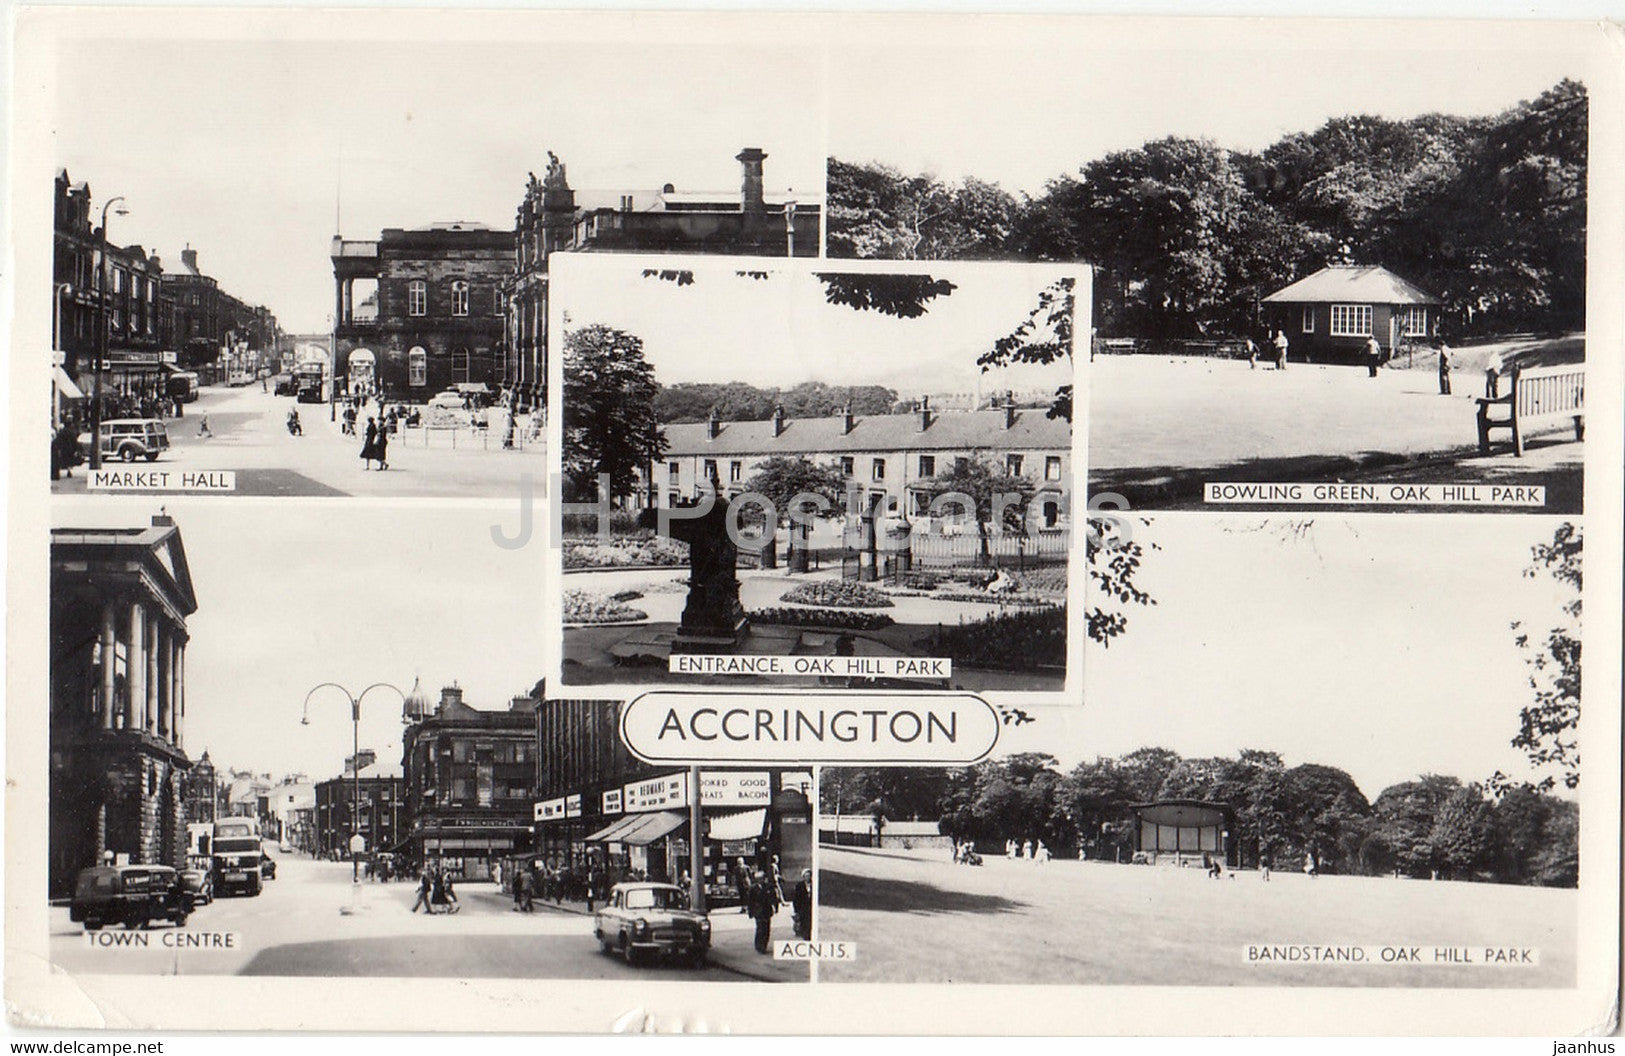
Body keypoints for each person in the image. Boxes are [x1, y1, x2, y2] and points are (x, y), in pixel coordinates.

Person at [747, 871, 775, 954]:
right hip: (758, 911)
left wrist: (775, 907)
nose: (762, 880)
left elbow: (773, 897)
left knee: (766, 929)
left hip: (767, 911)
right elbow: (750, 901)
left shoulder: (768, 887)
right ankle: (759, 946)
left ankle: (764, 945)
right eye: (760, 879)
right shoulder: (753, 888)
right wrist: (751, 912)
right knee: (760, 928)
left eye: (762, 878)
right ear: (757, 880)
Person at [792, 868, 812, 940]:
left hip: (810, 908)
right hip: (803, 908)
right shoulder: (799, 886)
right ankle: (805, 937)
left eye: (809, 876)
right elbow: (796, 898)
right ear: (803, 877)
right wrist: (796, 910)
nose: (808, 877)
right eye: (806, 876)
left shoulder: (813, 884)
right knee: (804, 923)